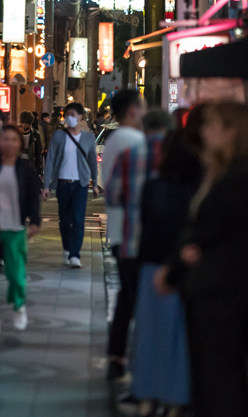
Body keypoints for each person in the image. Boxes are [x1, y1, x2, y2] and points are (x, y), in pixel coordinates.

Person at [155, 103, 248, 417]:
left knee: (219, 382)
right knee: (212, 379)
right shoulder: (226, 173)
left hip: (220, 292)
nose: (204, 131)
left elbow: (205, 232)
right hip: (216, 290)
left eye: (212, 125)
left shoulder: (238, 179)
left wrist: (175, 269)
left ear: (231, 132)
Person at [129, 108, 204, 416]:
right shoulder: (198, 192)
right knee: (178, 338)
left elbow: (145, 223)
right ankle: (175, 398)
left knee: (149, 335)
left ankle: (147, 397)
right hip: (184, 268)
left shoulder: (153, 187)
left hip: (151, 266)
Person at [99, 89, 149, 380]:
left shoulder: (115, 139)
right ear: (132, 111)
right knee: (133, 296)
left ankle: (116, 355)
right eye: (142, 108)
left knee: (126, 296)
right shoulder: (134, 141)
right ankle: (125, 357)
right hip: (132, 231)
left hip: (119, 230)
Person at [0, 126, 42, 332]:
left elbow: (33, 197)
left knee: (16, 274)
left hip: (15, 228)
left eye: (13, 139)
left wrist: (35, 221)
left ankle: (19, 306)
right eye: (5, 139)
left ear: (20, 144)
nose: (9, 143)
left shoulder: (25, 168)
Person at [43, 102, 99, 268]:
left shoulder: (88, 138)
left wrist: (95, 183)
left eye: (73, 115)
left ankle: (75, 255)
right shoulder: (58, 136)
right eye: (67, 115)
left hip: (80, 184)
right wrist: (46, 185)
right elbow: (50, 160)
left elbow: (92, 162)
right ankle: (67, 249)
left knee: (78, 220)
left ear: (80, 117)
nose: (69, 118)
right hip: (63, 184)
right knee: (64, 221)